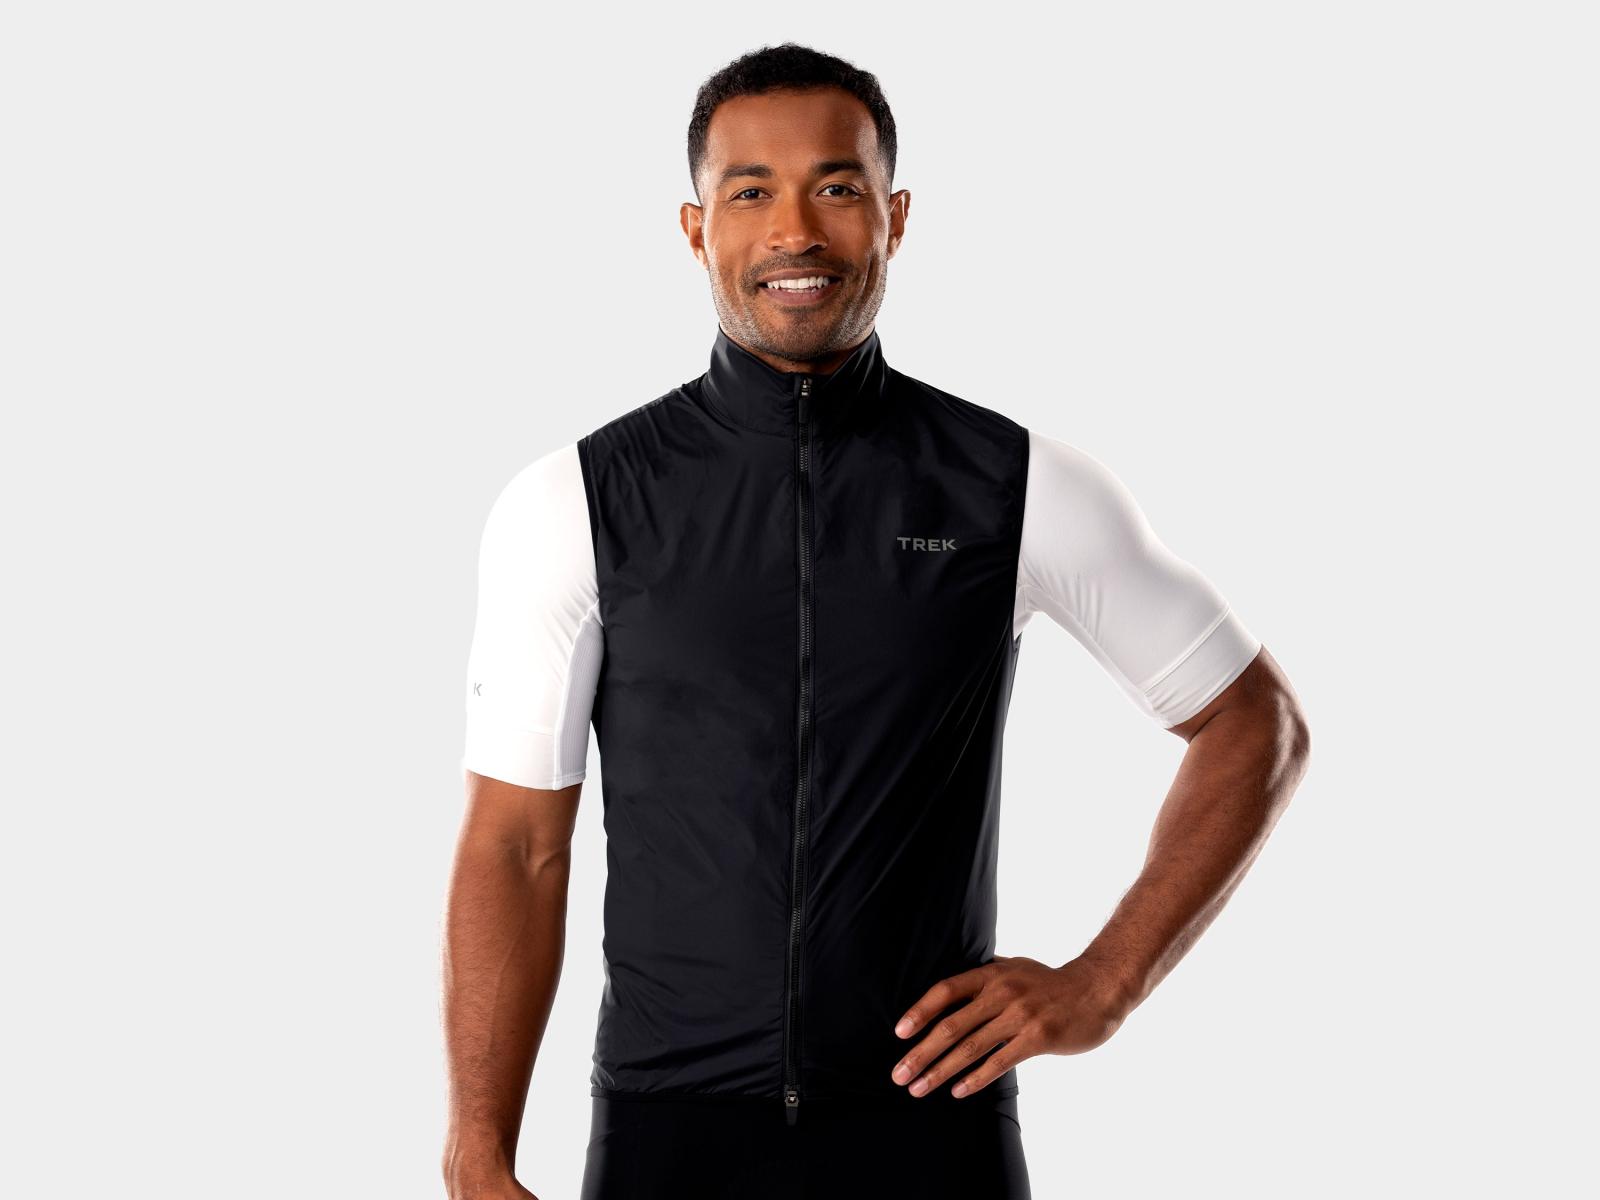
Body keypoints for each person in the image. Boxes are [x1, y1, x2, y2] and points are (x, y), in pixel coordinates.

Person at [441, 42, 1311, 1200]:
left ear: (894, 219)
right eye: (749, 192)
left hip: (932, 1129)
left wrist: (1103, 985)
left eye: (836, 187)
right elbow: (515, 843)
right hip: (668, 1133)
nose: (794, 230)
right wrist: (477, 1149)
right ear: (696, 230)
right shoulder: (579, 502)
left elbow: (1254, 724)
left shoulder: (1014, 486)